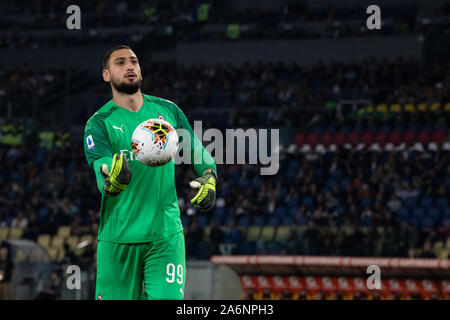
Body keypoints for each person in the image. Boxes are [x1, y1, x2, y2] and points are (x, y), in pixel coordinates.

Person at [83, 45, 217, 300]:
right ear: (106, 75)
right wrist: (111, 176)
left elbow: (196, 150)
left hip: (164, 236)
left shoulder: (168, 111)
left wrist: (209, 175)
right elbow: (101, 169)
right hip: (118, 239)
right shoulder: (99, 123)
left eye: (134, 61)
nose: (130, 66)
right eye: (120, 63)